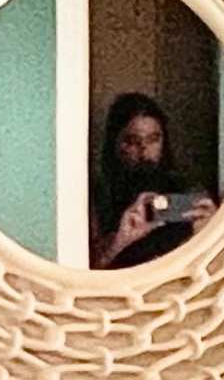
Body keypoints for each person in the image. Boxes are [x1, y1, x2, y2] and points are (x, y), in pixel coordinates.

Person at [90, 93, 211, 269]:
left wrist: (212, 231)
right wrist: (119, 241)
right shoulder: (97, 195)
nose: (144, 150)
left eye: (153, 139)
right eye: (132, 141)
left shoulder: (185, 188)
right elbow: (84, 270)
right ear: (115, 143)